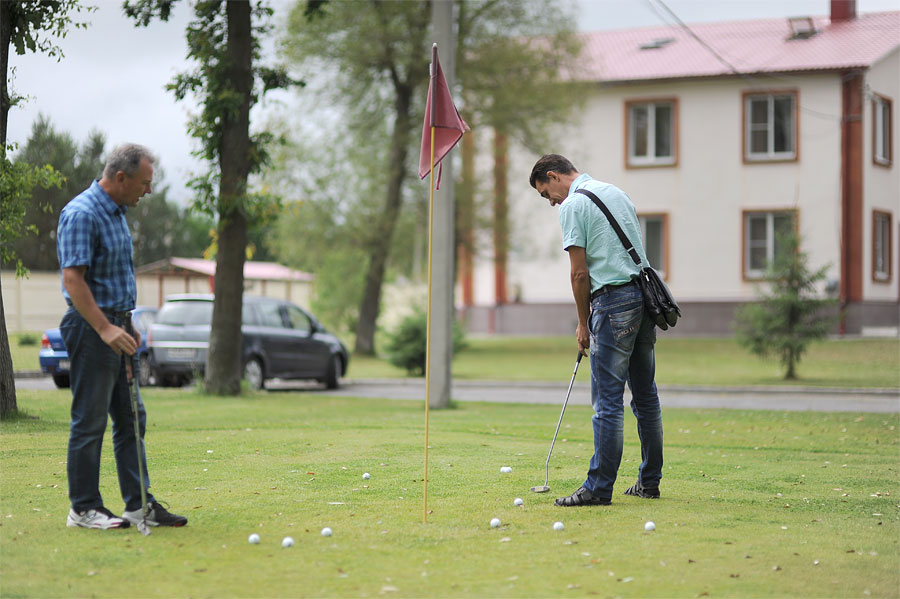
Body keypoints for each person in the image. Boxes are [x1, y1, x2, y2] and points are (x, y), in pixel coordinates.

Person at [57, 143, 187, 529]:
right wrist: (105, 327)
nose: (148, 191)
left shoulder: (116, 213)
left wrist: (125, 325)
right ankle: (83, 508)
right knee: (90, 420)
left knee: (132, 418)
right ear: (120, 178)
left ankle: (138, 504)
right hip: (92, 328)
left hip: (119, 327)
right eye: (144, 183)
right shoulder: (82, 213)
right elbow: (72, 279)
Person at [529, 154, 663, 507]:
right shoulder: (615, 192)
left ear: (554, 176)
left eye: (547, 194)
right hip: (644, 301)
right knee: (645, 396)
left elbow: (579, 273)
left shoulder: (572, 205)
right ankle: (649, 482)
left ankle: (599, 488)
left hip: (613, 305)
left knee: (607, 402)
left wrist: (582, 322)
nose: (551, 202)